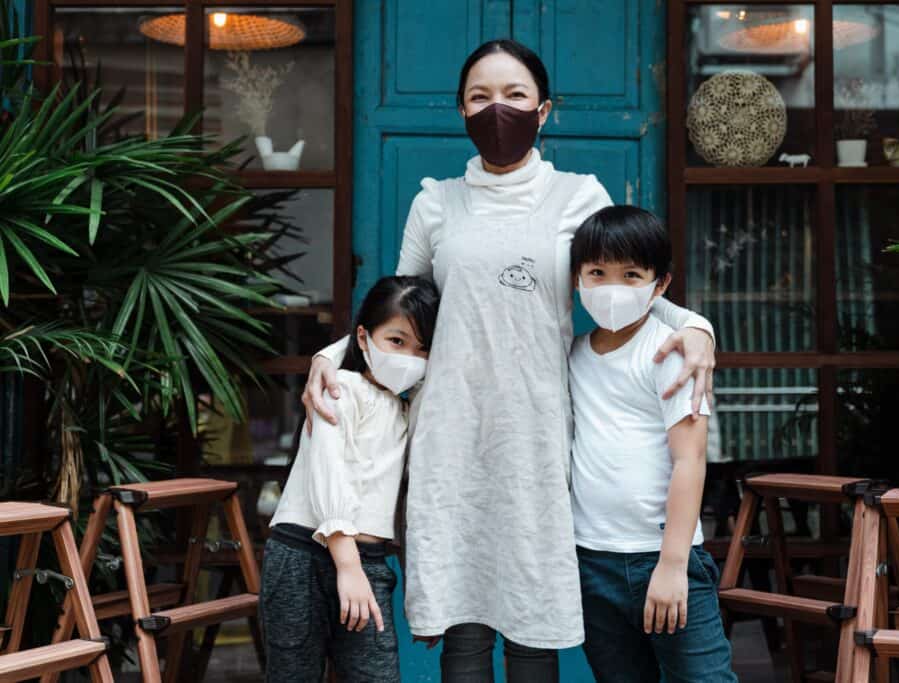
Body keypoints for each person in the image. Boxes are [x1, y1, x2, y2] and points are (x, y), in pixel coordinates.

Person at [302, 40, 718, 683]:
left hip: (540, 434)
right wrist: (330, 356)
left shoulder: (579, 196)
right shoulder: (435, 203)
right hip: (450, 436)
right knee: (463, 619)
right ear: (461, 110)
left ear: (544, 110)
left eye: (516, 95)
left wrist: (697, 327)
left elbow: (627, 283)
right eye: (480, 96)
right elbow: (397, 309)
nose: (498, 108)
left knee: (532, 618)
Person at [569, 206, 736, 683]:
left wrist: (672, 564)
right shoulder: (573, 352)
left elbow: (690, 460)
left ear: (659, 285)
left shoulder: (672, 353)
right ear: (577, 278)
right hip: (591, 560)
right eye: (597, 273)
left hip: (663, 558)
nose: (612, 287)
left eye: (631, 275)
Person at [260, 276, 441, 683]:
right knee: (293, 674)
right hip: (303, 555)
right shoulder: (339, 387)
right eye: (396, 341)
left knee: (376, 673)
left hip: (369, 562)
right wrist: (347, 564)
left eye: (423, 348)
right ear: (363, 338)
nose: (409, 357)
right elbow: (329, 469)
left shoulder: (409, 406)